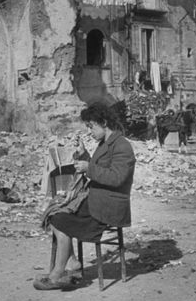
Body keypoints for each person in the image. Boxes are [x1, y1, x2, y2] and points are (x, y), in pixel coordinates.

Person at [35, 102, 136, 290]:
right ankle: (71, 262)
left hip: (109, 205)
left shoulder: (122, 146)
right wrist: (85, 156)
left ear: (104, 122)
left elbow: (117, 178)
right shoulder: (105, 144)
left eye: (91, 126)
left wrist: (88, 167)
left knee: (60, 219)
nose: (90, 131)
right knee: (56, 213)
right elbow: (101, 169)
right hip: (98, 199)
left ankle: (58, 274)